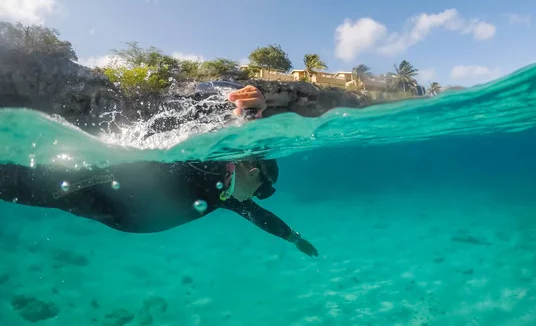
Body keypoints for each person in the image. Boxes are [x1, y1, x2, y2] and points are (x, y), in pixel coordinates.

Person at [0, 85, 319, 257]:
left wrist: (293, 237)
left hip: (111, 210)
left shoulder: (226, 195)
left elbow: (260, 216)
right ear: (251, 170)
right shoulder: (211, 165)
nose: (259, 197)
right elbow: (241, 137)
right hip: (94, 186)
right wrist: (251, 116)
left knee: (23, 188)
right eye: (264, 189)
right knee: (20, 186)